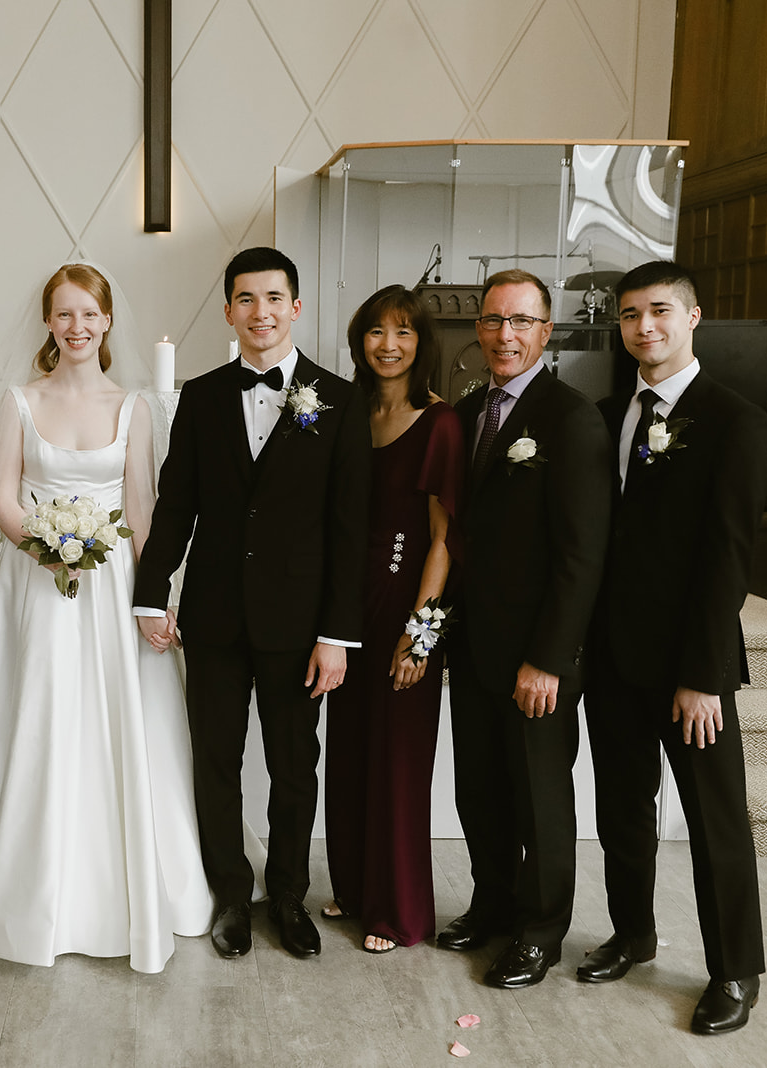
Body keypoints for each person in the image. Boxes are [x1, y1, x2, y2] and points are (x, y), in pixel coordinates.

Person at [0, 263, 215, 974]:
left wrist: (155, 594)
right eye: (63, 315)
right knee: (42, 720)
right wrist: (47, 541)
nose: (77, 327)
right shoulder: (18, 402)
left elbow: (144, 509)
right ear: (48, 323)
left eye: (88, 315)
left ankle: (124, 890)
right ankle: (35, 894)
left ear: (107, 321)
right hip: (39, 586)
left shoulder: (134, 407)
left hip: (111, 583)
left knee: (117, 725)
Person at [134, 247, 371, 960]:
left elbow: (349, 528)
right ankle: (231, 896)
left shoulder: (339, 398)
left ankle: (291, 898)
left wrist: (338, 634)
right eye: (246, 299)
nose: (260, 312)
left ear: (296, 307)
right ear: (229, 310)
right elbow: (175, 505)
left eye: (274, 298)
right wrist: (152, 595)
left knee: (297, 768)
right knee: (216, 761)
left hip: (302, 628)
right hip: (213, 619)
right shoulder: (202, 397)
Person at [578, 261, 767, 1034]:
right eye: (630, 316)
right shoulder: (606, 413)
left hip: (692, 665)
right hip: (614, 658)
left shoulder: (735, 422)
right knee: (623, 808)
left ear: (694, 318)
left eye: (659, 312)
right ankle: (632, 933)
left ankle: (735, 969)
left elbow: (728, 560)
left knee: (714, 818)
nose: (643, 328)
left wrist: (704, 676)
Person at [439, 268, 611, 988]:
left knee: (540, 797)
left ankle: (540, 931)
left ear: (546, 332)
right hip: (474, 645)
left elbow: (582, 553)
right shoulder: (471, 409)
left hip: (535, 656)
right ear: (478, 330)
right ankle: (494, 905)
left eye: (520, 322)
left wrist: (549, 658)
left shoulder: (571, 417)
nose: (504, 335)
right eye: (492, 321)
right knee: (478, 790)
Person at [322, 286, 463, 953]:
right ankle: (352, 889)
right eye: (376, 331)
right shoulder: (348, 412)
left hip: (407, 601)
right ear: (360, 342)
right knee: (349, 752)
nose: (388, 344)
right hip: (349, 605)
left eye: (403, 332)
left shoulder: (439, 423)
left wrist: (423, 633)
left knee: (399, 763)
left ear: (420, 343)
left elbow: (444, 540)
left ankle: (397, 912)